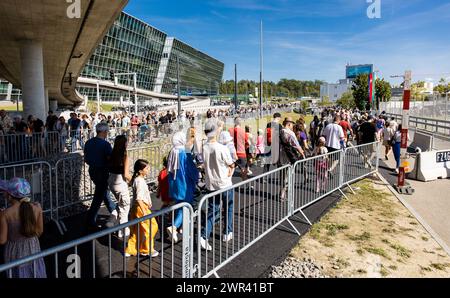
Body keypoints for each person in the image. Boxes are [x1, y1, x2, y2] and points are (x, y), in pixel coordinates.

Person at [0, 178, 46, 278]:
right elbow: (39, 231)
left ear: (9, 196)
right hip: (33, 248)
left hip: (14, 252)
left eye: (4, 192)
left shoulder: (5, 214)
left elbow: (2, 240)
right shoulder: (37, 207)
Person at [201, 119, 235, 251]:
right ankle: (227, 232)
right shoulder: (222, 148)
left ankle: (204, 236)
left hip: (211, 184)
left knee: (212, 211)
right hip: (224, 183)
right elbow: (231, 163)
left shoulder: (204, 147)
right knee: (228, 208)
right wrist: (231, 168)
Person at [166, 131, 199, 243]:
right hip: (185, 184)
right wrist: (196, 176)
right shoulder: (184, 152)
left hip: (175, 183)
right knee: (186, 206)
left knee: (179, 205)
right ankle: (174, 227)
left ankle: (178, 227)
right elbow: (191, 169)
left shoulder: (173, 151)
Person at [84, 123, 118, 229]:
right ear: (104, 132)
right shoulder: (105, 145)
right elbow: (111, 159)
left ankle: (114, 210)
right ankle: (91, 218)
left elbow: (86, 159)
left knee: (103, 192)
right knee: (99, 196)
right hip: (102, 171)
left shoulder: (88, 142)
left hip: (92, 170)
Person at [125, 159, 159, 258]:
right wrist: (144, 211)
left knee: (137, 230)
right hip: (141, 207)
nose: (149, 170)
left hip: (137, 207)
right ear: (140, 170)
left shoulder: (138, 180)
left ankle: (130, 249)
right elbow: (139, 198)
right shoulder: (139, 181)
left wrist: (148, 202)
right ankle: (146, 249)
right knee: (152, 227)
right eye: (147, 168)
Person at [108, 135, 132, 238]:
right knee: (125, 206)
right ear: (124, 144)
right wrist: (134, 181)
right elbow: (126, 174)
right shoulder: (125, 156)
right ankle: (123, 229)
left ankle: (114, 220)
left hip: (111, 181)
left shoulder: (111, 154)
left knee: (121, 204)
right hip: (120, 183)